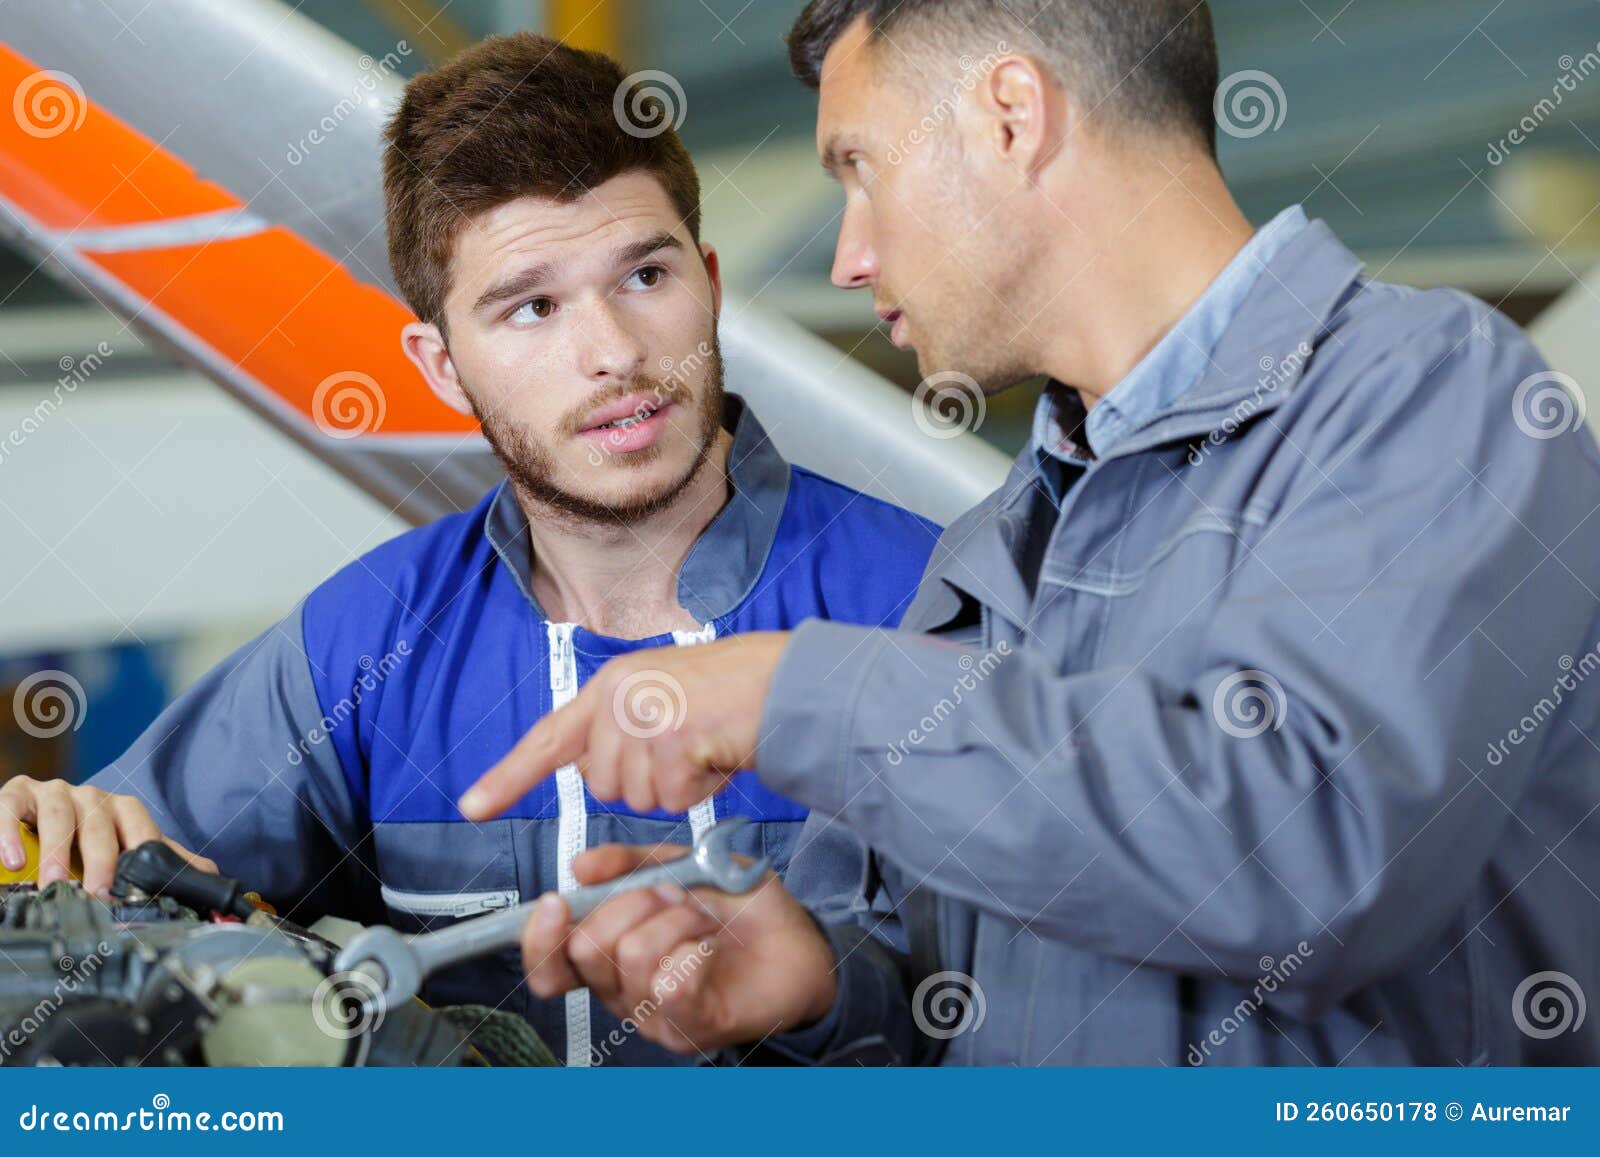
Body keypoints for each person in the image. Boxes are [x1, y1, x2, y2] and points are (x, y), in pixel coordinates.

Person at [466, 0, 1600, 1065]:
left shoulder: (1428, 401)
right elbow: (953, 972)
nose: (848, 254)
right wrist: (820, 983)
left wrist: (794, 691)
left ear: (1011, 117)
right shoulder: (994, 550)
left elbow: (1311, 853)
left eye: (858, 169)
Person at [0, 31, 938, 1067]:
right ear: (441, 366)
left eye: (644, 275)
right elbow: (131, 873)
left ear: (708, 283)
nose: (614, 354)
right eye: (531, 305)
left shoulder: (931, 604)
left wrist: (822, 994)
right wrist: (55, 839)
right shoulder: (365, 645)